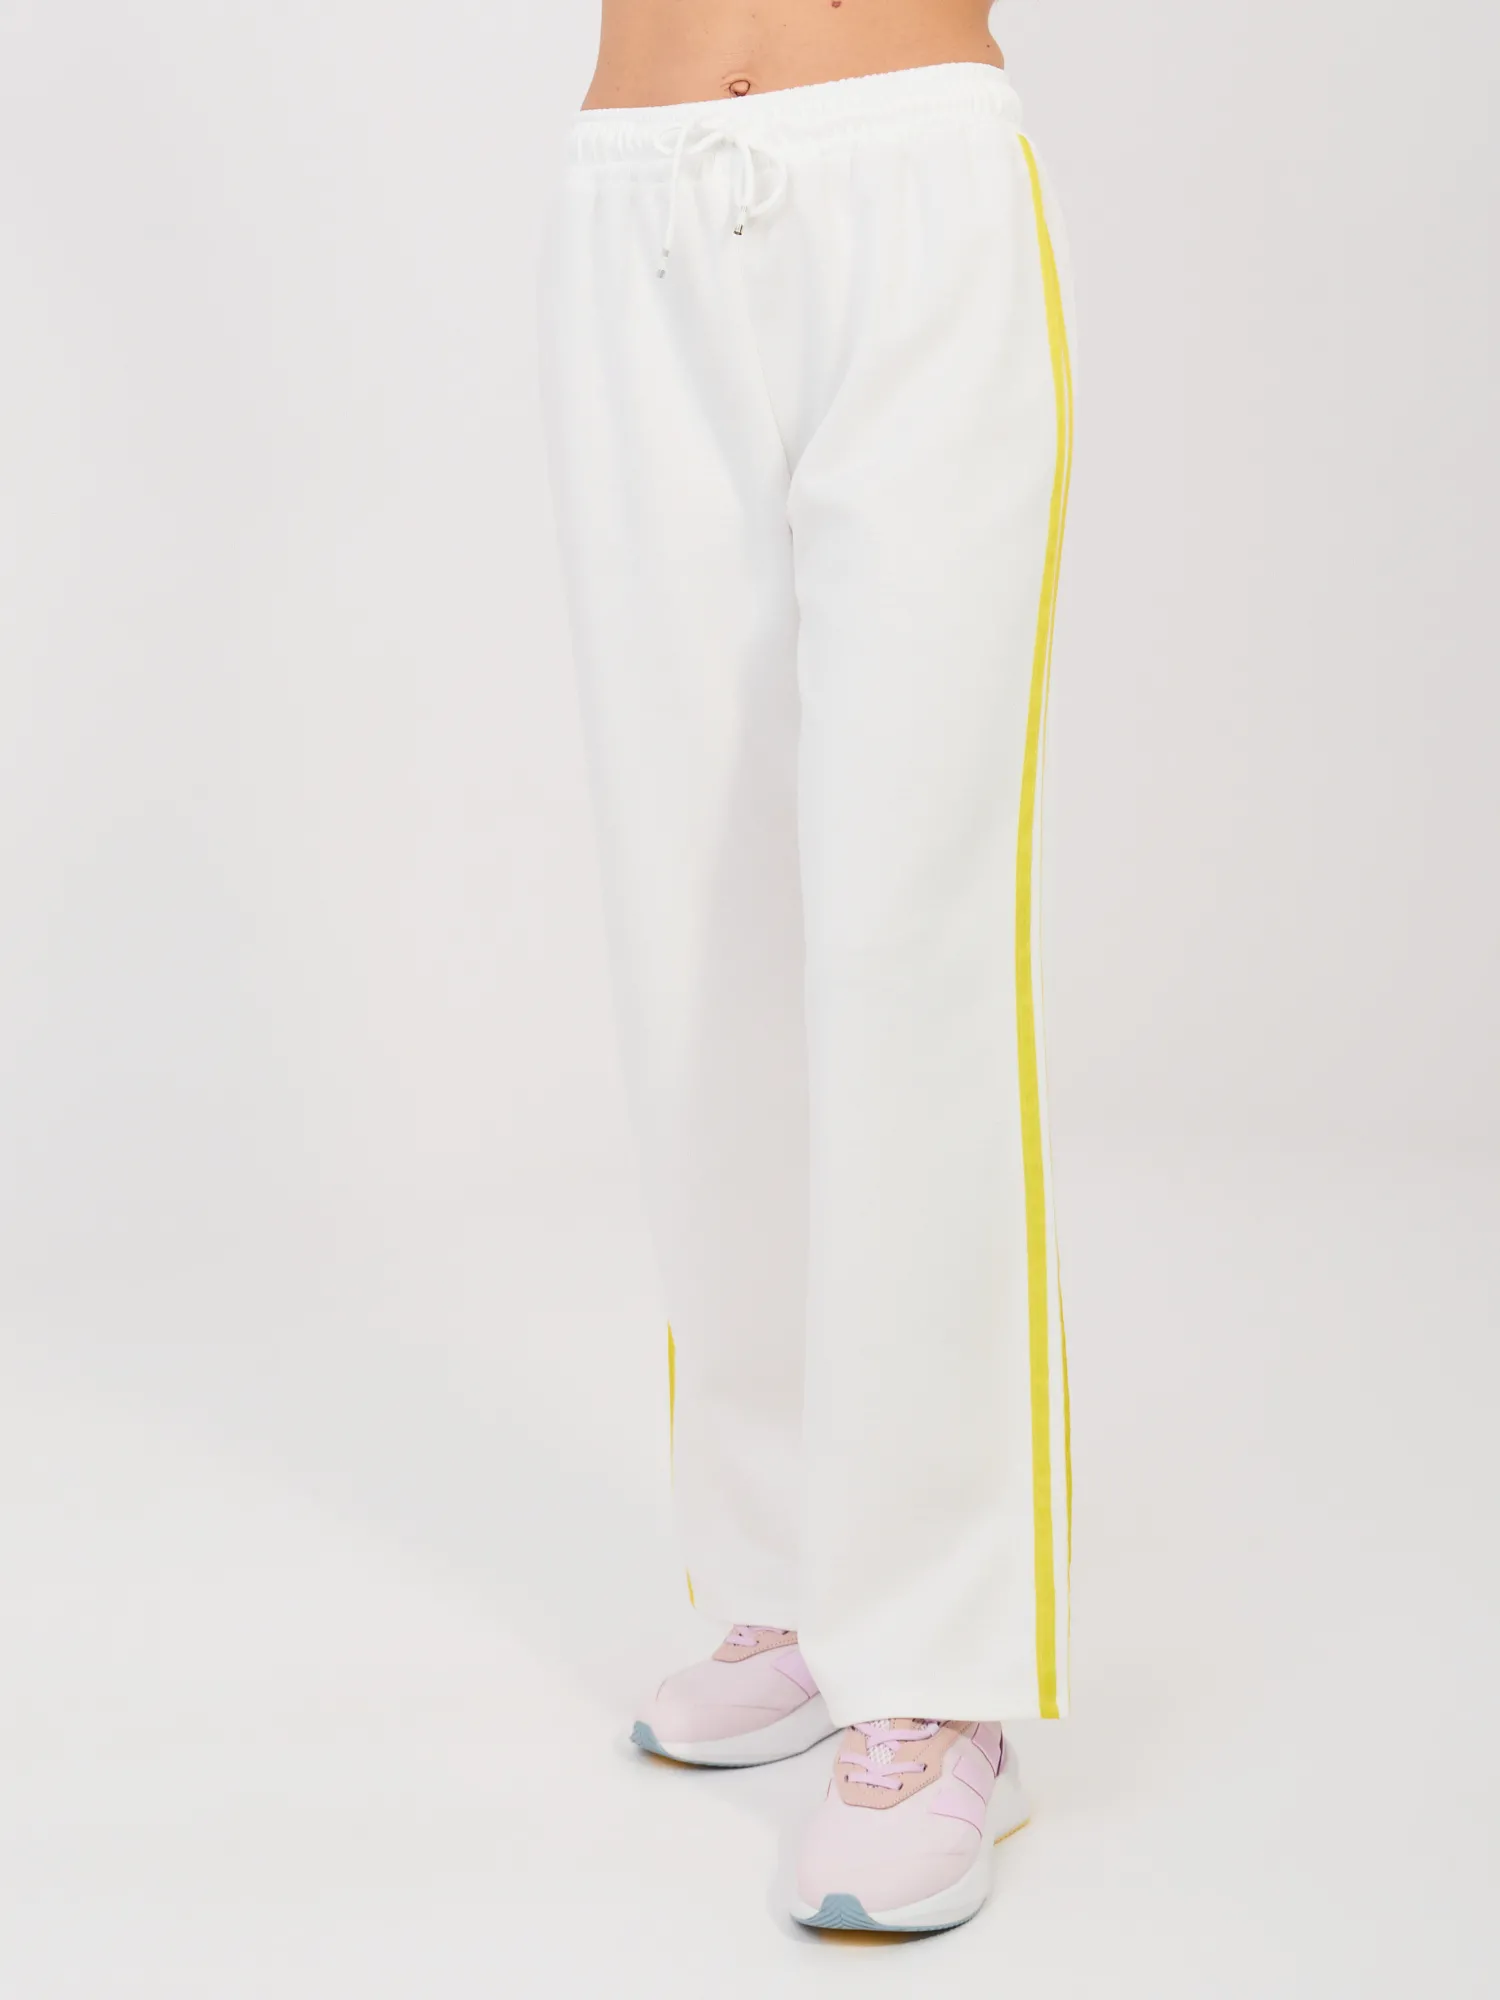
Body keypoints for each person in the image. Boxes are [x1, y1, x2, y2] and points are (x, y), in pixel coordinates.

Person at [536, 0, 1075, 1934]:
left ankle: (934, 1669)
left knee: (902, 940)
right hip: (639, 207)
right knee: (698, 945)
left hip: (905, 180)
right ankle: (785, 1571)